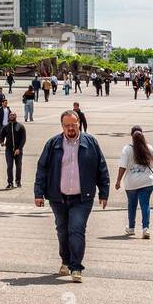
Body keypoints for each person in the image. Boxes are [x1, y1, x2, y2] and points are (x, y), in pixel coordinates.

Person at [33, 109, 111, 282]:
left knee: (76, 229)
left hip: (82, 198)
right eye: (67, 125)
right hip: (58, 197)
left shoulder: (90, 143)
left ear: (79, 124)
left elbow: (102, 168)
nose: (70, 128)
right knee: (62, 231)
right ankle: (66, 261)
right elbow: (42, 168)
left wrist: (104, 192)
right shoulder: (53, 144)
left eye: (73, 125)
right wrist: (39, 193)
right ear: (62, 126)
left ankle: (76, 267)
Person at [115, 125, 153, 239]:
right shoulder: (148, 147)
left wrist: (118, 181)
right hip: (147, 181)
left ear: (131, 136)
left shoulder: (127, 149)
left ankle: (131, 228)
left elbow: (123, 166)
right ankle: (145, 228)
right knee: (145, 204)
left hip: (131, 183)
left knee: (132, 205)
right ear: (143, 134)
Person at [0, 108, 26, 189]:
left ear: (16, 116)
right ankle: (10, 183)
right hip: (9, 150)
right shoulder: (6, 127)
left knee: (18, 166)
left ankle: (18, 181)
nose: (12, 116)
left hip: (18, 151)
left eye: (13, 115)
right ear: (9, 116)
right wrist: (2, 142)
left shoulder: (20, 126)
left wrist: (19, 149)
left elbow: (23, 139)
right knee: (9, 166)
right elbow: (2, 136)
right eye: (11, 115)